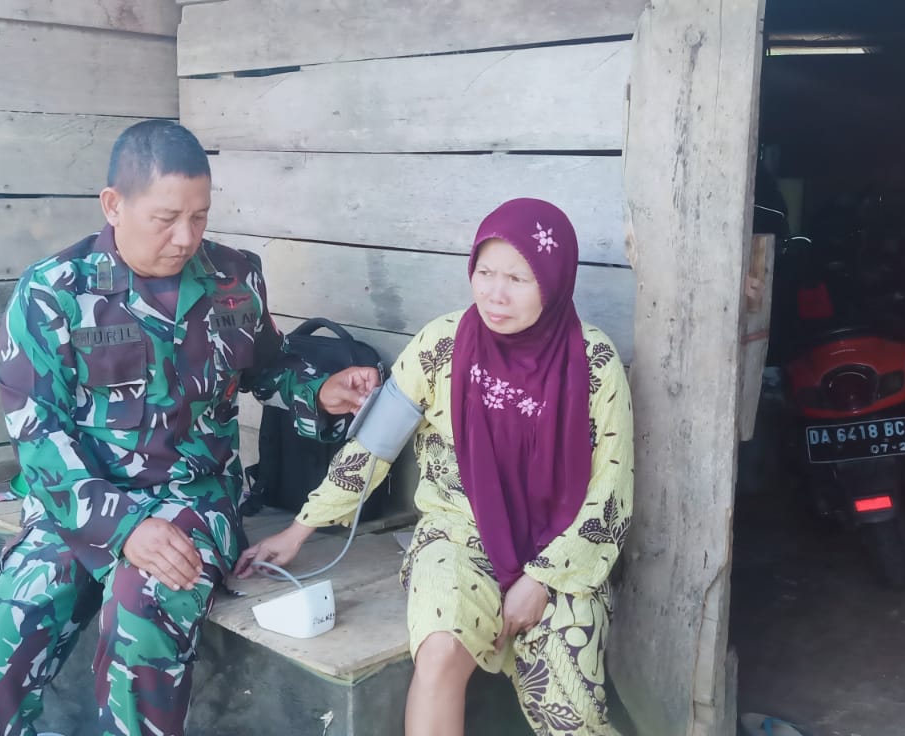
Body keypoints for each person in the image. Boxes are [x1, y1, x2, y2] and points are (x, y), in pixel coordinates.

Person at [0, 120, 380, 736]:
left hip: (194, 499)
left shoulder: (234, 278)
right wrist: (123, 525)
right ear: (113, 205)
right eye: (166, 218)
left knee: (141, 614)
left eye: (200, 216)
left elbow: (269, 368)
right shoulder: (53, 292)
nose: (186, 237)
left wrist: (321, 392)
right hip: (79, 505)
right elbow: (39, 435)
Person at [240, 199, 634, 735]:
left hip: (562, 549)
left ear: (554, 280)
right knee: (441, 646)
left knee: (567, 700)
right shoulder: (441, 345)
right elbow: (372, 447)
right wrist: (298, 531)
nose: (495, 294)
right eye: (485, 273)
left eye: (518, 279)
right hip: (458, 532)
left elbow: (610, 493)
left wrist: (541, 579)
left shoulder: (594, 362)